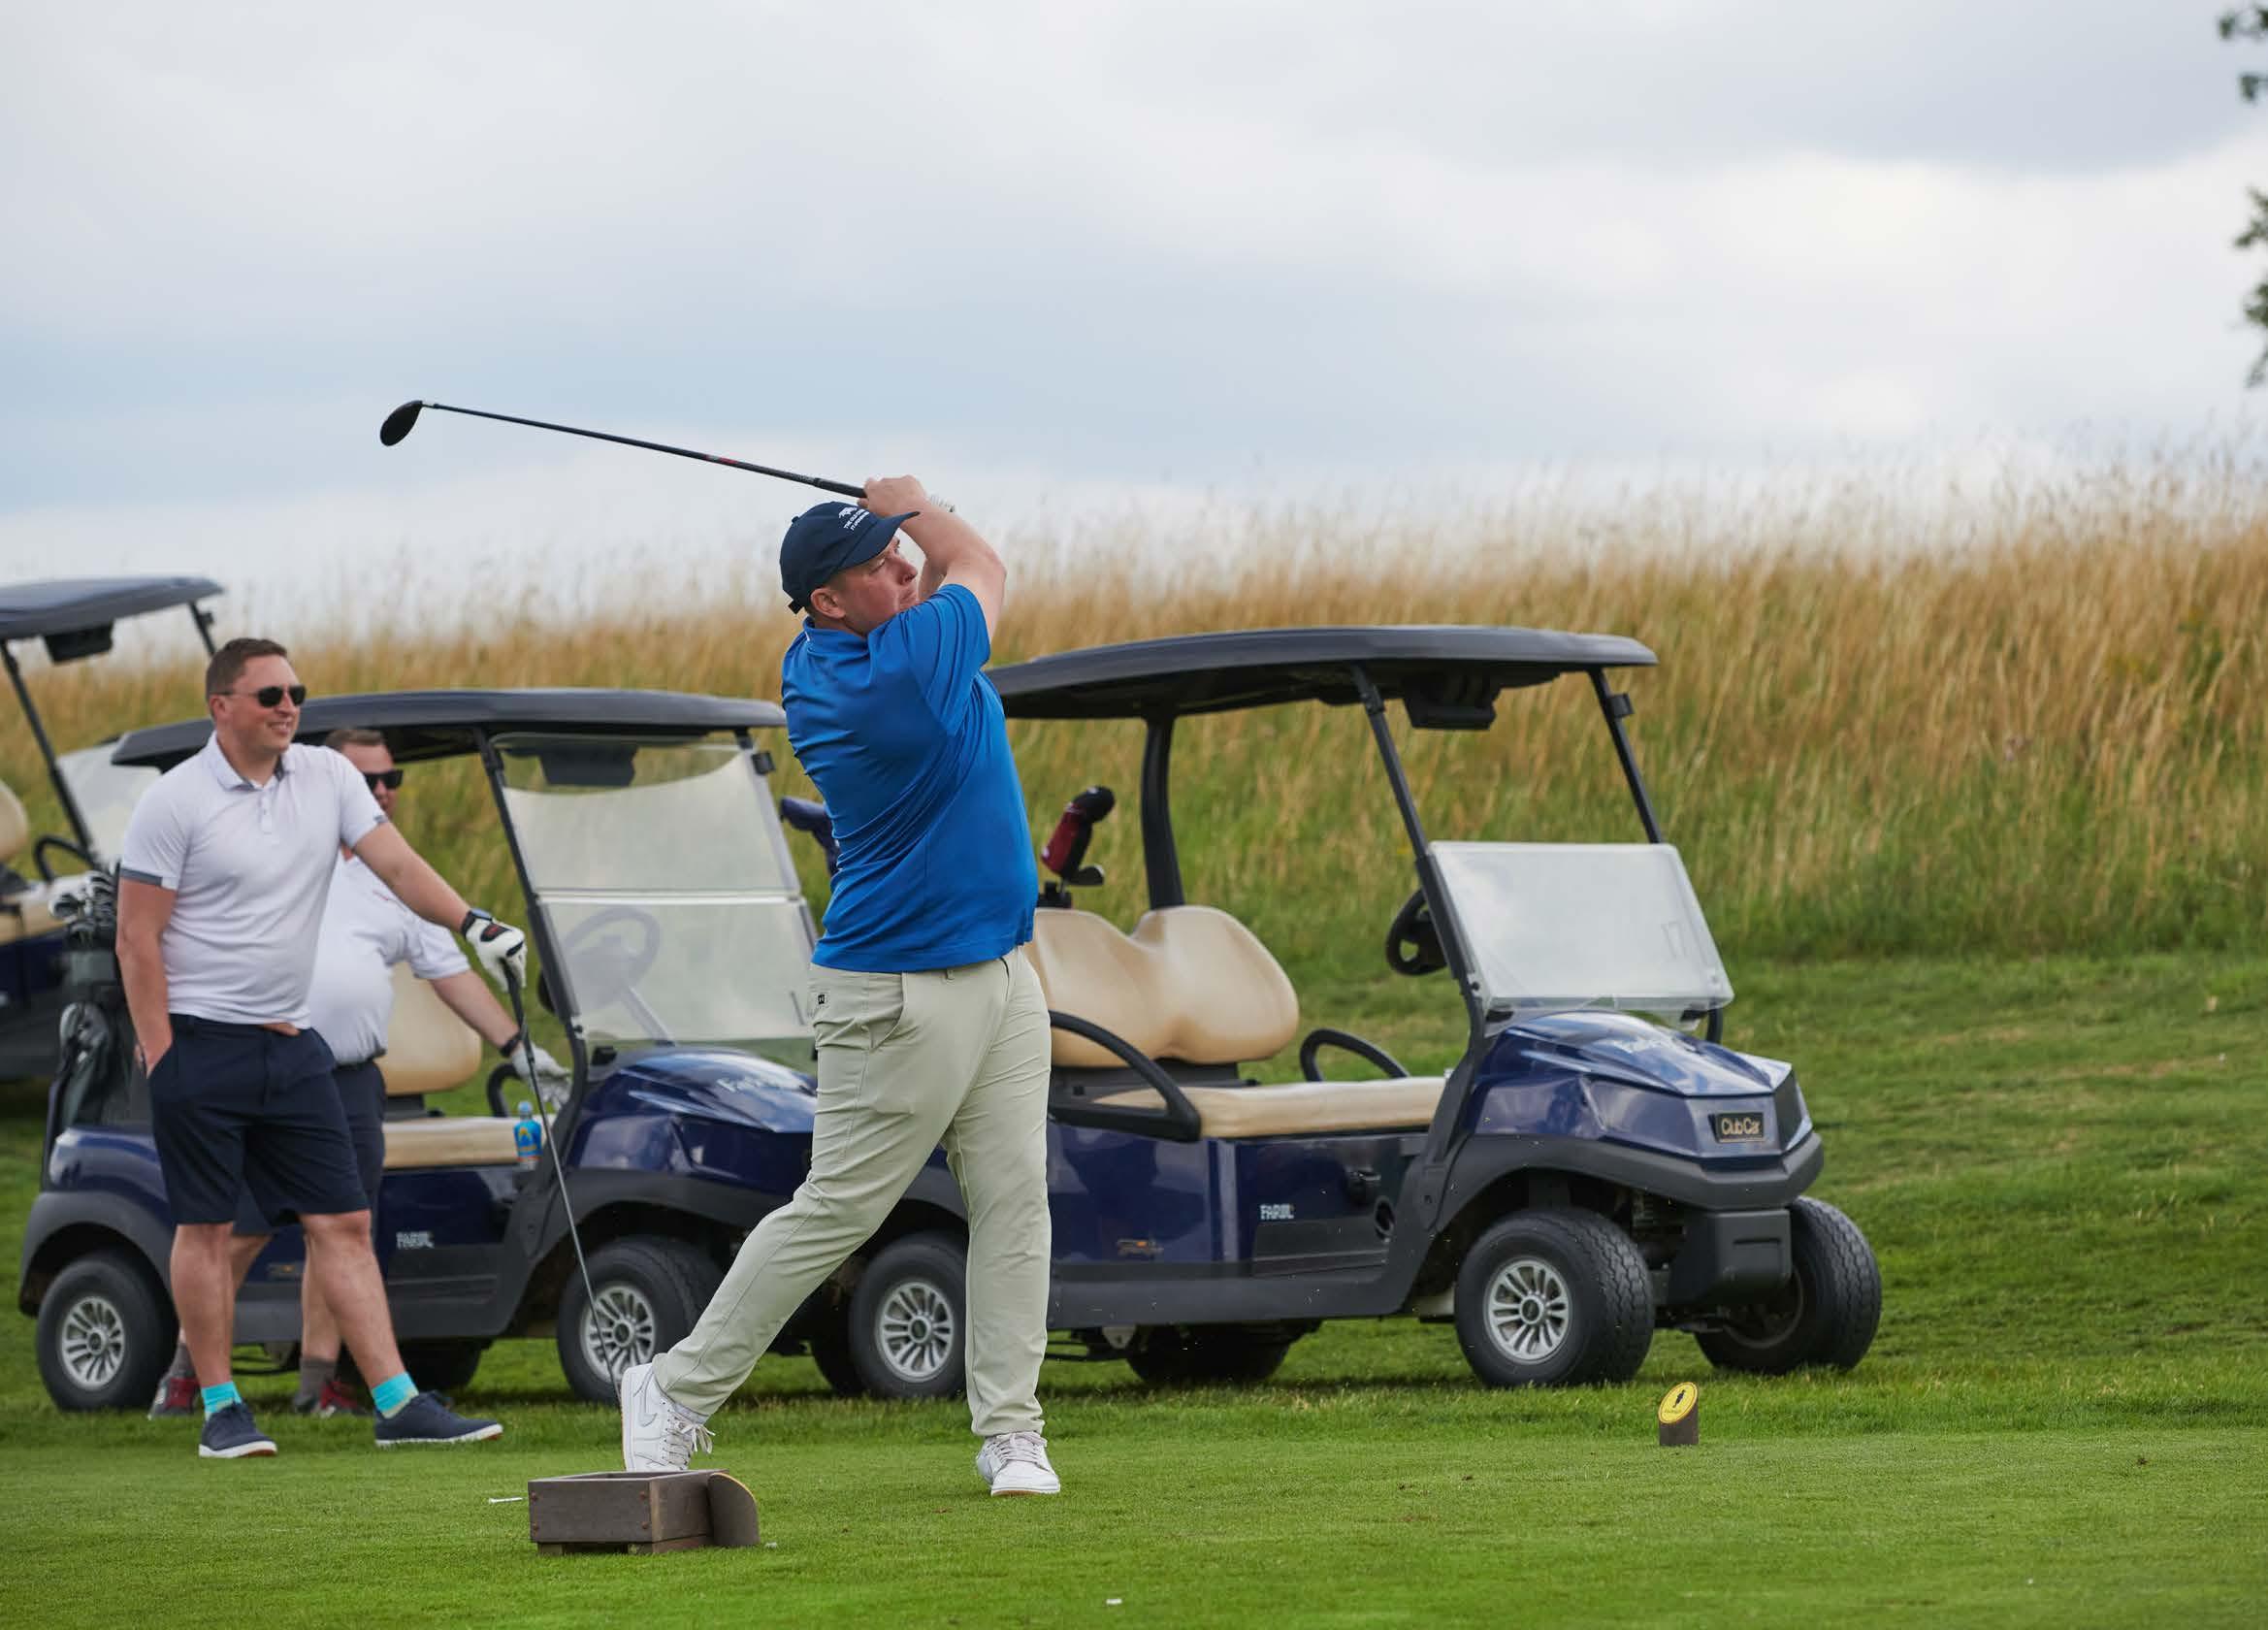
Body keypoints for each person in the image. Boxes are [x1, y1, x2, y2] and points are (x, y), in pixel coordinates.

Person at [618, 476, 1058, 1496]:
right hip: (896, 992)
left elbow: (933, 578)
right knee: (838, 1209)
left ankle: (1010, 1429)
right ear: (827, 600)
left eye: (898, 550)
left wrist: (889, 528)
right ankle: (673, 1389)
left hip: (1000, 970)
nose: (903, 566)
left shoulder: (832, 653)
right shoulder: (895, 673)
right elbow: (977, 563)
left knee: (1013, 1203)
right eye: (877, 562)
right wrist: (915, 500)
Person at [117, 637, 526, 1458]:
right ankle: (221, 1408)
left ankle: (396, 1403)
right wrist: (163, 1054)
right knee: (208, 1227)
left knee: (342, 1219)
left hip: (292, 1046)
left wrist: (473, 921)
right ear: (221, 706)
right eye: (269, 695)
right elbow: (136, 937)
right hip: (200, 1046)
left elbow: (399, 866)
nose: (288, 707)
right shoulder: (175, 801)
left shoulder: (328, 777)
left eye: (296, 694)